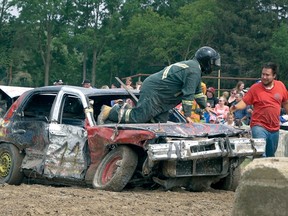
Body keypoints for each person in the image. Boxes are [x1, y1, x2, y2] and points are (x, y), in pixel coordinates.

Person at [100, 46, 220, 124]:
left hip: (162, 96)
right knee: (139, 117)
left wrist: (206, 107)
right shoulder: (194, 71)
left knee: (160, 125)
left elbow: (197, 92)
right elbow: (188, 95)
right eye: (212, 64)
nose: (213, 67)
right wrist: (187, 116)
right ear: (206, 61)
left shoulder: (195, 69)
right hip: (155, 91)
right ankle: (110, 111)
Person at [230, 62, 288, 157]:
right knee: (261, 154)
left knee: (270, 156)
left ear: (274, 76)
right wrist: (235, 107)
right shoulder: (255, 88)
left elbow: (285, 103)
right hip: (259, 125)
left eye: (267, 75)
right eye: (263, 74)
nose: (264, 77)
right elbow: (245, 102)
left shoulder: (280, 86)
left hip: (274, 127)